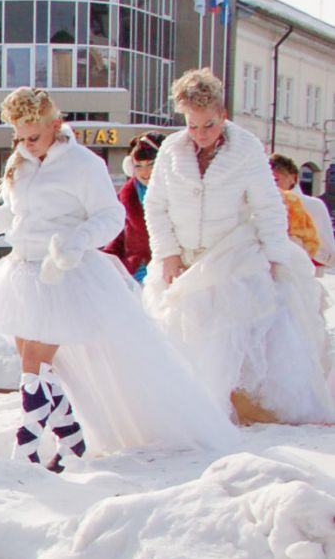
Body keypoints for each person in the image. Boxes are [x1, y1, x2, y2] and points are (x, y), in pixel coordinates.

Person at [0, 87, 238, 469]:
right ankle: (72, 439)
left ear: (55, 125)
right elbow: (16, 212)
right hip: (23, 272)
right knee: (39, 367)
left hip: (64, 276)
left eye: (34, 136)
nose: (27, 144)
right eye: (19, 137)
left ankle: (25, 455)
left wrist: (76, 242)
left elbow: (109, 217)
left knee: (34, 366)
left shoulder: (84, 164)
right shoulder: (21, 161)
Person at [142, 69, 335, 424]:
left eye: (209, 125)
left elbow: (268, 207)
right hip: (183, 259)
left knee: (233, 335)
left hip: (232, 254)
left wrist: (276, 258)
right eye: (193, 126)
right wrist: (167, 253)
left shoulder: (246, 149)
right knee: (181, 332)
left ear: (223, 114)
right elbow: (155, 205)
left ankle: (235, 410)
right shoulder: (171, 150)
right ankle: (191, 410)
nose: (201, 135)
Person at [102, 132, 166, 281]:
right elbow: (117, 238)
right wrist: (107, 262)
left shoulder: (180, 194)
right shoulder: (127, 197)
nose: (145, 172)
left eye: (151, 164)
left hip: (170, 272)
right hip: (134, 275)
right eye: (138, 166)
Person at [270, 152, 333, 273]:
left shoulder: (311, 205)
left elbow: (329, 254)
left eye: (275, 179)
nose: (271, 185)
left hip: (299, 278)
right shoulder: (255, 204)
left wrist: (301, 247)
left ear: (293, 178)